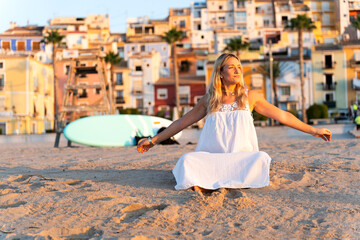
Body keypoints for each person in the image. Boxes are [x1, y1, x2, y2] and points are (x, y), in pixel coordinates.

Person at [137, 53, 332, 192]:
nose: (237, 70)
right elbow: (180, 123)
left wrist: (313, 130)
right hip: (213, 159)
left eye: (239, 67)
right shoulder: (209, 100)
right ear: (220, 72)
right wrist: (153, 141)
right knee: (186, 161)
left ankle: (214, 181)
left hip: (241, 159)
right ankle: (224, 180)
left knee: (261, 158)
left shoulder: (251, 97)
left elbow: (283, 116)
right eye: (232, 67)